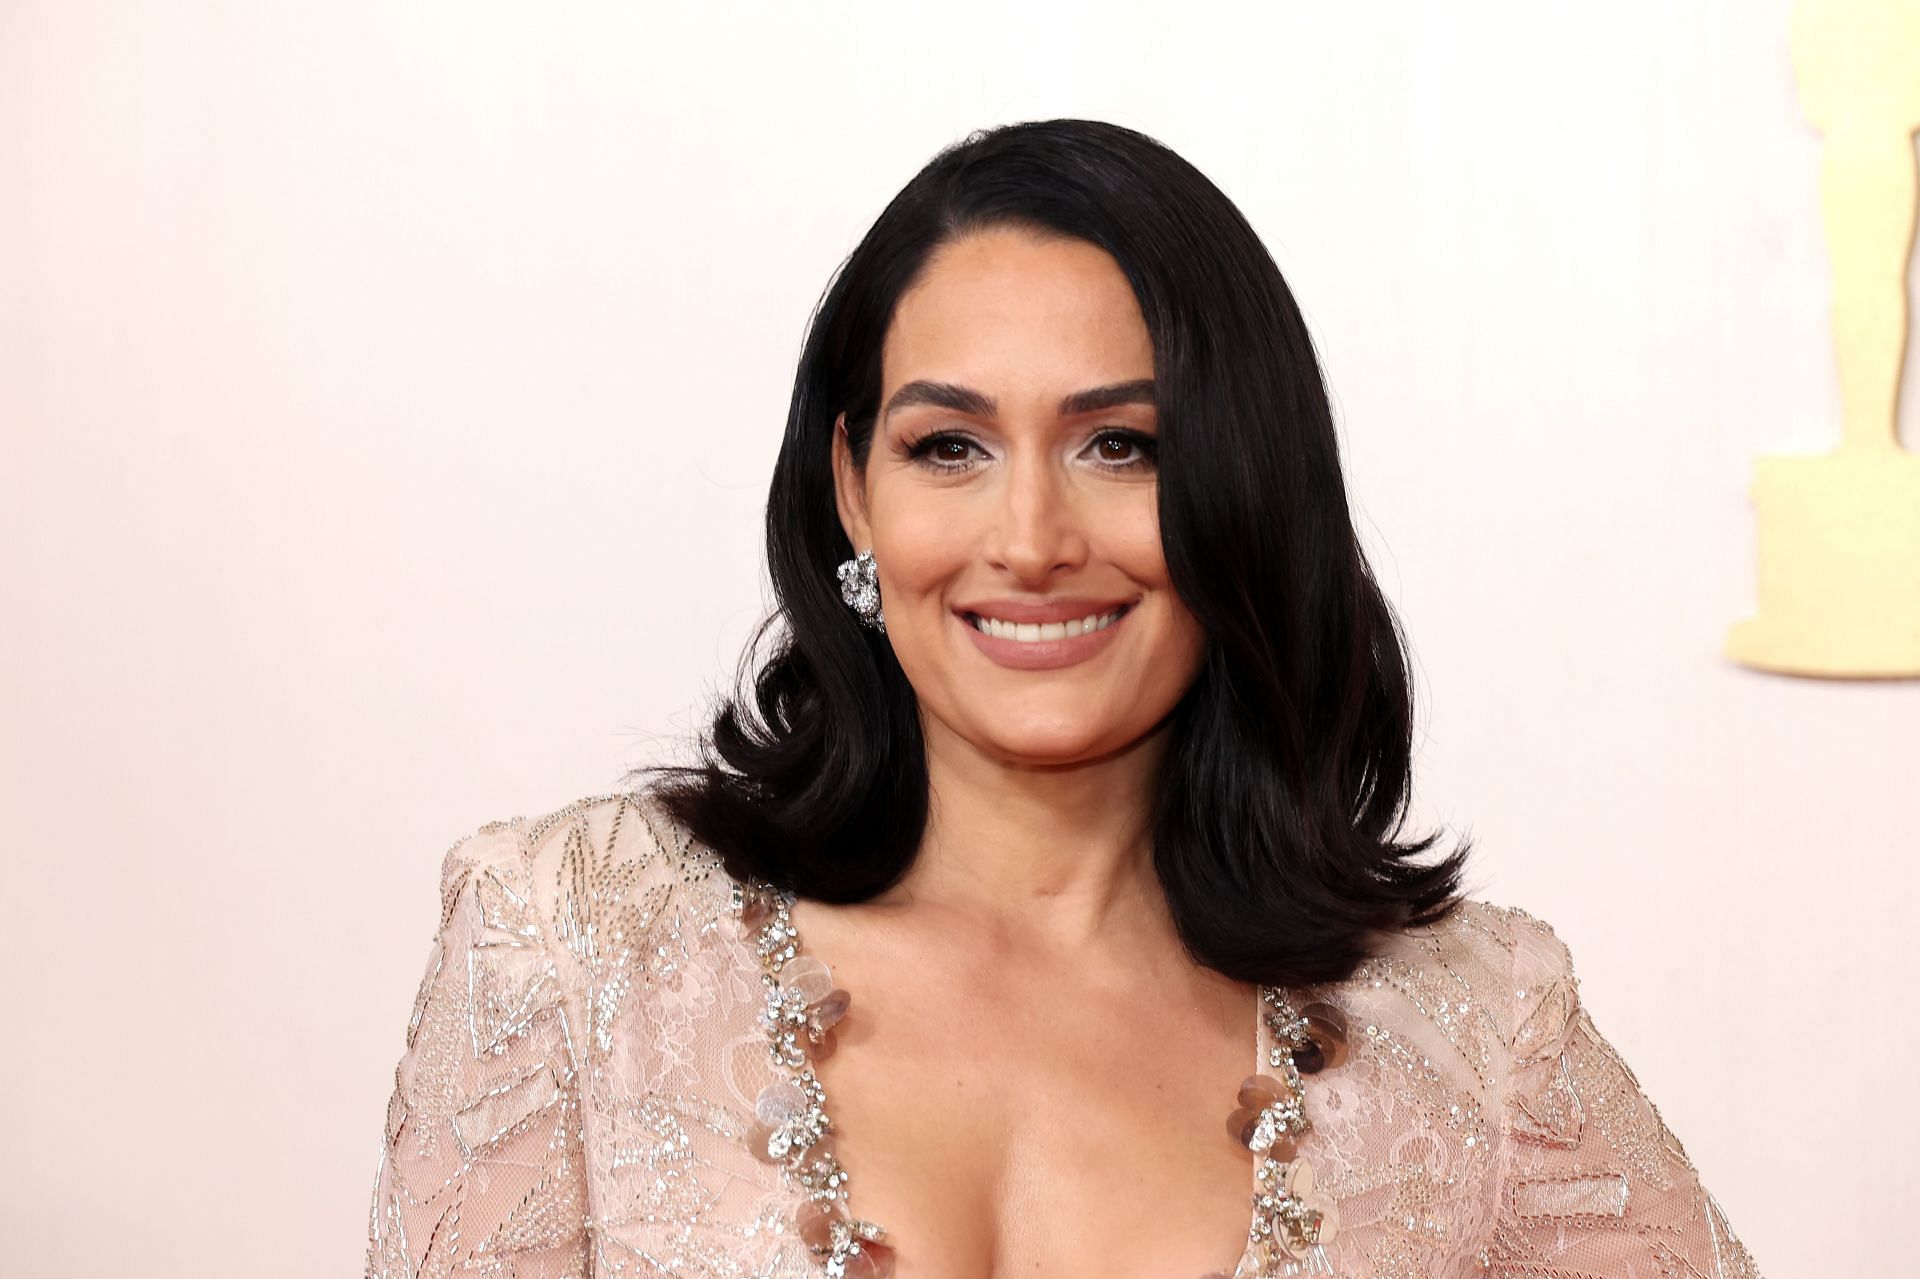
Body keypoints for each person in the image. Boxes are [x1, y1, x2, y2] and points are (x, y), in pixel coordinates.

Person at [363, 119, 1762, 1279]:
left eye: (1119, 444)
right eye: (951, 444)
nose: (1030, 539)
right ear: (855, 487)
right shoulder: (569, 938)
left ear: (1242, 488)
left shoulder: (1473, 1025)